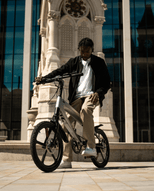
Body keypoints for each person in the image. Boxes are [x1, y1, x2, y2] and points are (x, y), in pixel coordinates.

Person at [35, 38, 110, 169]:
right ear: (79, 50)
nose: (84, 54)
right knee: (66, 124)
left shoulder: (99, 63)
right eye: (82, 51)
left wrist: (98, 93)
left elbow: (107, 82)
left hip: (92, 96)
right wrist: (44, 78)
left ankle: (91, 147)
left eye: (87, 51)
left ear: (92, 50)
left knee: (86, 110)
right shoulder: (74, 62)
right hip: (77, 97)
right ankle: (66, 159)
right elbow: (60, 71)